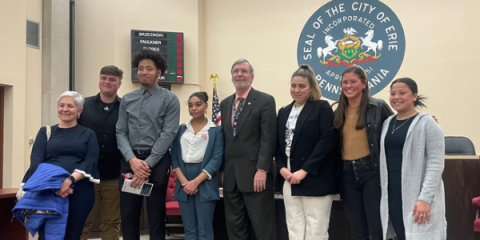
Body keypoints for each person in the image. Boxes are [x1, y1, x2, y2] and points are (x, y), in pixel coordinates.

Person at [116, 49, 180, 240]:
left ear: (159, 72)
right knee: (128, 215)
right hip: (130, 161)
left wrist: (147, 164)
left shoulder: (170, 99)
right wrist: (133, 161)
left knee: (156, 216)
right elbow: (121, 132)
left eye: (149, 69)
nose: (144, 72)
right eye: (141, 68)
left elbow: (168, 133)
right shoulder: (127, 99)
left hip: (157, 163)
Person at [21, 91, 100, 240]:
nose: (65, 109)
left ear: (79, 111)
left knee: (73, 235)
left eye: (70, 106)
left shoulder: (88, 134)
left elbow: (90, 162)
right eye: (61, 105)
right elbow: (37, 162)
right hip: (48, 191)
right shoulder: (46, 132)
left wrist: (69, 181)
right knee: (46, 236)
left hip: (79, 192)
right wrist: (56, 184)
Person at [275, 64, 338, 240]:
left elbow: (327, 142)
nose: (297, 90)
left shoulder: (321, 108)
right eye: (293, 85)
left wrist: (304, 171)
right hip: (289, 174)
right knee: (294, 226)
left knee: (316, 228)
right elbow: (279, 144)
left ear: (311, 88)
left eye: (302, 86)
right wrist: (282, 168)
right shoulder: (284, 111)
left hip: (315, 175)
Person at [379, 78, 446, 240]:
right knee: (401, 235)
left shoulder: (428, 124)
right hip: (393, 195)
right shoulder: (388, 123)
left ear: (414, 96)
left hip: (417, 196)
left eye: (402, 93)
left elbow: (436, 164)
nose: (396, 97)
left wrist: (424, 199)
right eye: (393, 93)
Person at [333, 65, 393, 240]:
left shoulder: (378, 106)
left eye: (353, 81)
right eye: (345, 82)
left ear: (364, 83)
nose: (348, 86)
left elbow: (397, 128)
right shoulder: (338, 111)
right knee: (357, 229)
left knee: (377, 228)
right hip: (346, 175)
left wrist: (420, 122)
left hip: (371, 172)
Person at [220, 58, 277, 240]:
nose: (239, 74)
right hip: (231, 177)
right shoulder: (225, 103)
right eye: (236, 71)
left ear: (252, 77)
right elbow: (226, 140)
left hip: (256, 176)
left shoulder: (265, 101)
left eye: (244, 71)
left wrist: (262, 170)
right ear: (231, 76)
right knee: (235, 227)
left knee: (262, 228)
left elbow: (268, 139)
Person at [171, 92, 224, 240]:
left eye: (198, 104)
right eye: (190, 105)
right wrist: (185, 183)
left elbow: (216, 159)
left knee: (204, 229)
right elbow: (174, 157)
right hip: (183, 180)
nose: (193, 108)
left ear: (206, 106)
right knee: (189, 229)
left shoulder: (216, 130)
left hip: (205, 179)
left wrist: (195, 182)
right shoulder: (181, 129)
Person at [80, 65, 123, 240]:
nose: (107, 82)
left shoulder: (126, 108)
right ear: (99, 80)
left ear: (119, 83)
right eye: (104, 78)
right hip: (86, 174)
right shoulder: (83, 105)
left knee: (112, 222)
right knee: (81, 219)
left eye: (112, 79)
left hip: (114, 174)